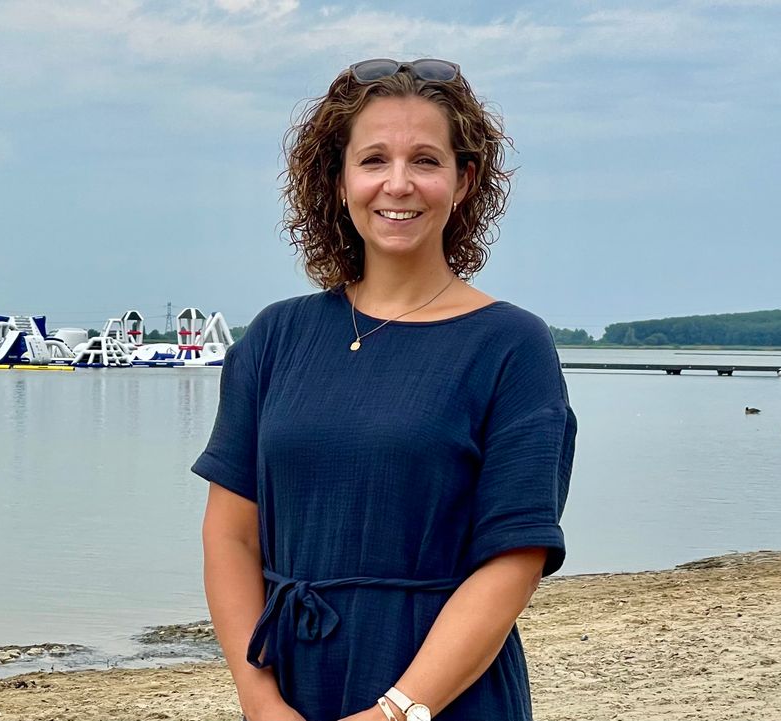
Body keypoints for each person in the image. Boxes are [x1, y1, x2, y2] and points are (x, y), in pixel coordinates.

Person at [193, 58, 576, 721]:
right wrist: (258, 699)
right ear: (339, 181)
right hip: (291, 688)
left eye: (425, 160)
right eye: (374, 160)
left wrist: (396, 710)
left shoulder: (513, 345)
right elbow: (231, 538)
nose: (397, 184)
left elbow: (514, 557)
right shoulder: (275, 337)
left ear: (464, 182)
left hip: (444, 695)